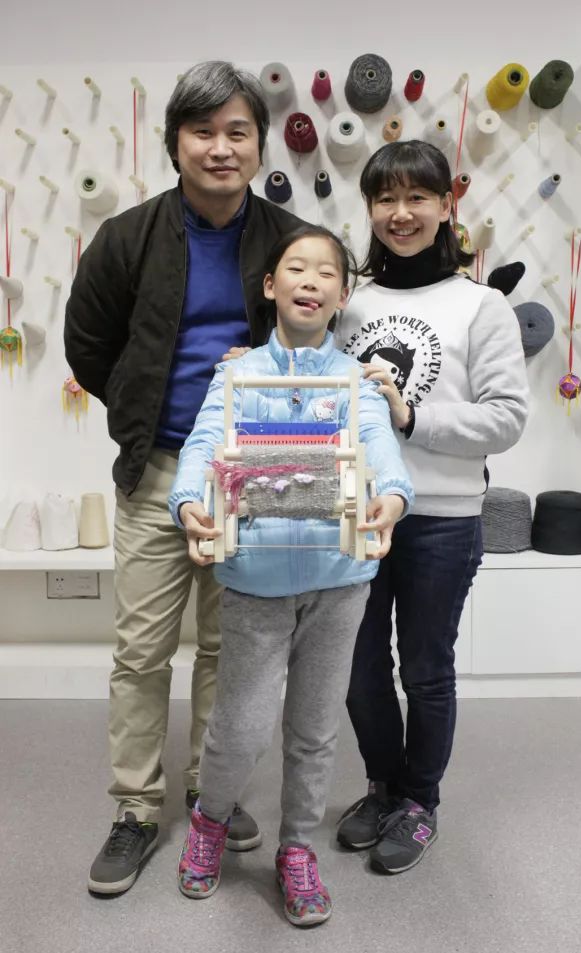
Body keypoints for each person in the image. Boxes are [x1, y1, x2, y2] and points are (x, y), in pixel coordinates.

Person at [64, 61, 306, 896]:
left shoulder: (290, 240)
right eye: (203, 131)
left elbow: (320, 337)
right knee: (141, 649)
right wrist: (142, 407)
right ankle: (135, 808)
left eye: (238, 131)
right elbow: (88, 343)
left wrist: (266, 370)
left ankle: (211, 793)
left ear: (259, 145)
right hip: (157, 467)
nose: (221, 147)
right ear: (176, 144)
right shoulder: (126, 237)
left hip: (253, 474)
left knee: (226, 648)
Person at [168, 225, 413, 926]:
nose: (311, 280)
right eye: (296, 268)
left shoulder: (356, 380)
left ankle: (297, 848)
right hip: (256, 582)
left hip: (339, 582)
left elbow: (380, 448)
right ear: (271, 286)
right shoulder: (236, 374)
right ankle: (211, 820)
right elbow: (203, 444)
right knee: (240, 728)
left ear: (342, 295)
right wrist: (187, 503)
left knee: (313, 729)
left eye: (326, 272)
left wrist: (394, 497)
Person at [333, 140, 529, 875]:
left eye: (417, 197)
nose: (401, 213)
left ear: (447, 205)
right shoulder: (352, 303)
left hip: (442, 518)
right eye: (385, 198)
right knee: (358, 669)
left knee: (424, 667)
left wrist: (411, 419)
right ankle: (383, 787)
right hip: (358, 513)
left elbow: (507, 417)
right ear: (370, 208)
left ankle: (420, 801)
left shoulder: (481, 305)